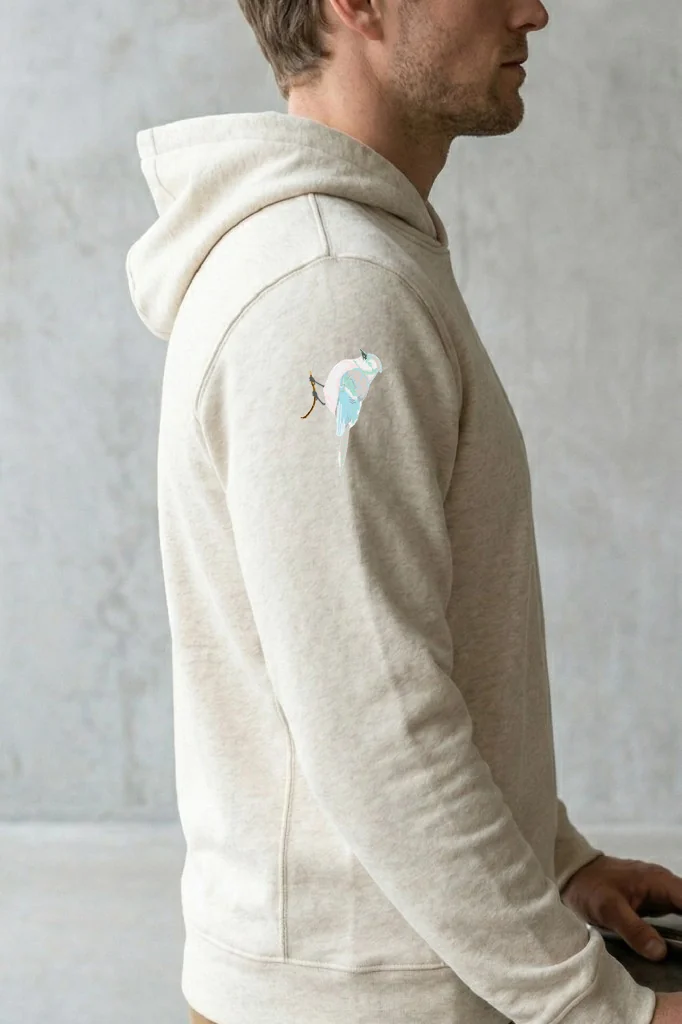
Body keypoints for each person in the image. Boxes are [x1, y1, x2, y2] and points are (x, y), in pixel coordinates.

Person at [125, 0, 682, 1022]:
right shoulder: (329, 293)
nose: (533, 11)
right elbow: (376, 726)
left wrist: (554, 860)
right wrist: (602, 1008)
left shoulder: (354, 260)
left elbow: (394, 658)